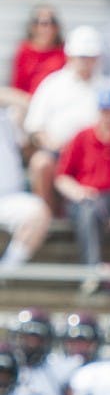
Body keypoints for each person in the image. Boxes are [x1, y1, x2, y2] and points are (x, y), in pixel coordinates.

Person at [55, 88, 110, 273]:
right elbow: (63, 176)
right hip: (88, 197)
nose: (107, 115)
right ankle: (91, 270)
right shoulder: (82, 137)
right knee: (89, 212)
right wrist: (79, 193)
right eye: (104, 110)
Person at [23, 25, 103, 213]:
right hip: (59, 152)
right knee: (41, 163)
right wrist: (53, 145)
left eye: (90, 57)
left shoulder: (107, 86)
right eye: (82, 57)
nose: (86, 62)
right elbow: (35, 126)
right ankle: (48, 219)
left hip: (96, 155)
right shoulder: (53, 84)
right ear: (70, 56)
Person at [0, 87, 52, 271]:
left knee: (37, 212)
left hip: (7, 199)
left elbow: (29, 104)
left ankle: (7, 270)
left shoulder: (7, 118)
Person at [10, 5, 66, 100]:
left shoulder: (64, 51)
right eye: (41, 23)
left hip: (55, 103)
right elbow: (17, 85)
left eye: (52, 22)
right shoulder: (24, 50)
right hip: (27, 102)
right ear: (33, 27)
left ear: (57, 27)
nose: (46, 28)